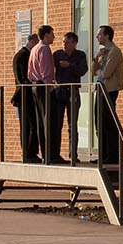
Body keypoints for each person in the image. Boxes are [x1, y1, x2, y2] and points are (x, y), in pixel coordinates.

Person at [50, 31, 88, 164]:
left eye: (67, 42)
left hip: (73, 91)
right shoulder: (57, 55)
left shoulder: (80, 55)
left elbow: (83, 70)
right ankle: (55, 154)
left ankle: (73, 154)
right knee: (57, 124)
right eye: (63, 42)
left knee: (73, 125)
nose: (64, 44)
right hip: (60, 91)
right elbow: (50, 70)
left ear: (74, 43)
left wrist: (70, 65)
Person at [93, 24, 123, 166]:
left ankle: (112, 155)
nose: (97, 37)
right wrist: (96, 59)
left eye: (100, 34)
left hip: (109, 90)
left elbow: (106, 73)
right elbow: (94, 71)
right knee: (99, 122)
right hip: (100, 88)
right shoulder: (104, 52)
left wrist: (99, 69)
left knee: (108, 122)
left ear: (107, 36)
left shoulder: (114, 52)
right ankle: (103, 154)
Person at [27, 26, 56, 163]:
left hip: (34, 85)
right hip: (42, 86)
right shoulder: (44, 48)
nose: (53, 37)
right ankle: (48, 153)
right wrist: (49, 85)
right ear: (46, 35)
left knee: (40, 120)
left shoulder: (34, 48)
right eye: (52, 34)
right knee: (47, 120)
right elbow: (46, 71)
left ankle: (45, 153)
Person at [11, 31, 39, 163]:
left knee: (28, 124)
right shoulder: (24, 55)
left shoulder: (20, 54)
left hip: (25, 95)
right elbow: (23, 78)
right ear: (32, 42)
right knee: (31, 124)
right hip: (25, 95)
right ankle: (29, 152)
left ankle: (29, 152)